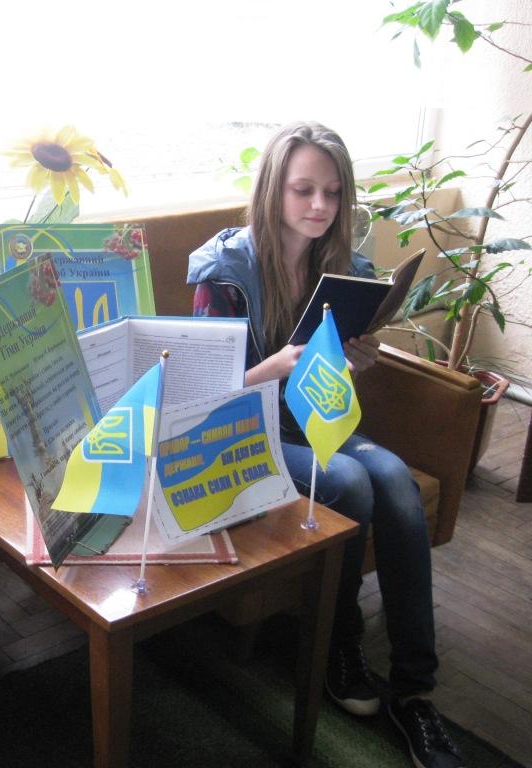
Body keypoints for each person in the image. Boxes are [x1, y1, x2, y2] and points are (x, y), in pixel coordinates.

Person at [187, 122, 464, 768]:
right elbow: (198, 397)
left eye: (333, 193)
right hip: (241, 434)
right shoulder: (224, 273)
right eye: (303, 189)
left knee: (394, 479)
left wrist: (356, 359)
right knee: (350, 481)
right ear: (273, 190)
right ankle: (340, 644)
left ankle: (415, 690)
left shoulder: (343, 271)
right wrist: (273, 367)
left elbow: (331, 379)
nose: (320, 206)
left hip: (313, 426)